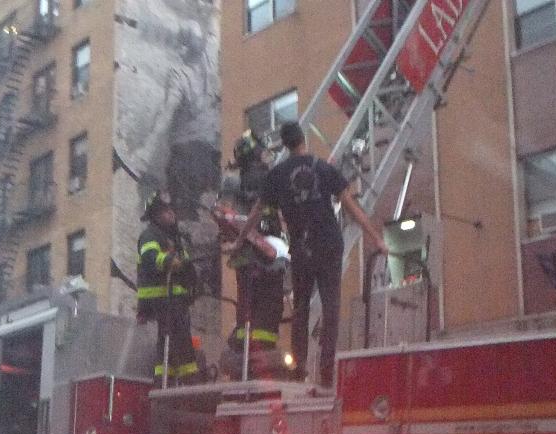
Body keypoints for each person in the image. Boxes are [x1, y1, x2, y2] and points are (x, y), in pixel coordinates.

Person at [232, 121, 388, 388]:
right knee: (331, 308)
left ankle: (299, 368)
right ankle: (327, 370)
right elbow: (353, 208)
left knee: (301, 310)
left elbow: (255, 212)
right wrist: (377, 239)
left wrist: (238, 242)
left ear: (285, 145)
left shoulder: (277, 175)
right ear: (303, 139)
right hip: (328, 245)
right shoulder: (323, 168)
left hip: (302, 250)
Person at [220, 130, 286, 358]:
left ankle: (243, 344)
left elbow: (225, 215)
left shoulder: (233, 181)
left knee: (246, 303)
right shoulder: (268, 177)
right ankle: (263, 349)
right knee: (270, 303)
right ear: (255, 152)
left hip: (244, 255)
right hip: (267, 253)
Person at [136, 191, 201, 385]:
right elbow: (149, 258)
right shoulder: (150, 235)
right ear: (156, 215)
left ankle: (166, 379)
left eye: (171, 209)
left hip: (175, 297)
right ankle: (190, 380)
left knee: (169, 339)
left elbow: (186, 265)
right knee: (180, 338)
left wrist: (193, 281)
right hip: (161, 296)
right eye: (166, 211)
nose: (171, 213)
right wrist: (169, 260)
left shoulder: (174, 238)